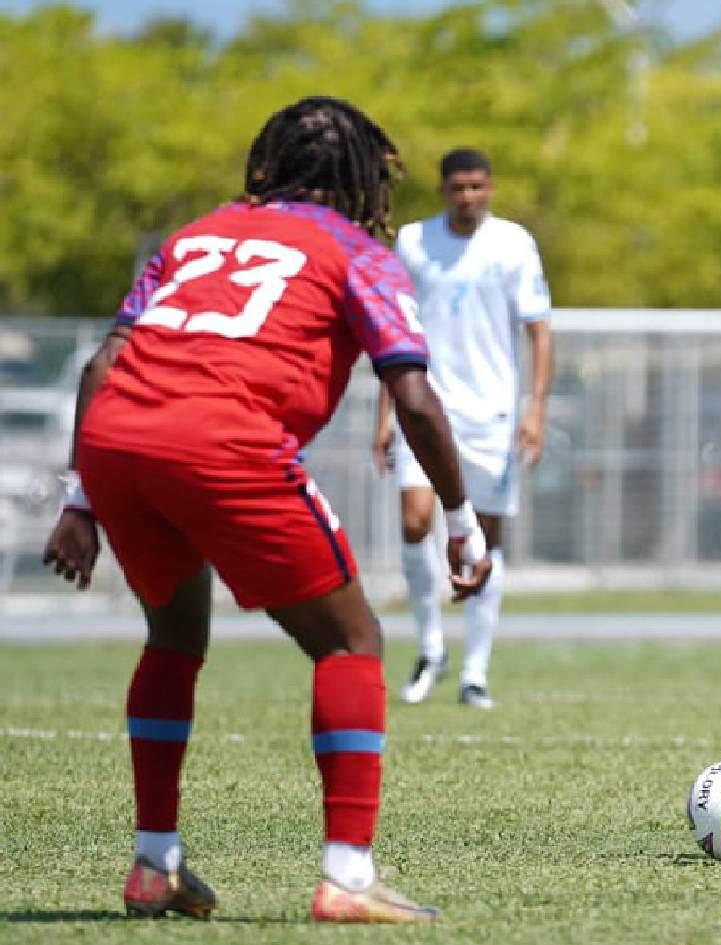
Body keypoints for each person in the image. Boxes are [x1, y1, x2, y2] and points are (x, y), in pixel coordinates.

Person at [42, 96, 492, 923]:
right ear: (362, 177)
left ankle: (154, 864)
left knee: (174, 636)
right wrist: (463, 520)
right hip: (222, 441)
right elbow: (417, 399)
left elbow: (105, 360)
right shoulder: (356, 250)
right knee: (351, 641)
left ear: (268, 164)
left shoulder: (197, 234)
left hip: (116, 441)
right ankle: (348, 876)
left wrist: (80, 499)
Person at [372, 147, 553, 710]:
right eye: (458, 187)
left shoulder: (513, 244)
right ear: (443, 190)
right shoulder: (412, 243)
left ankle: (475, 669)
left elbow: (539, 331)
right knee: (415, 518)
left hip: (493, 416)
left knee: (485, 539)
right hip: (425, 406)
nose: (468, 196)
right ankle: (430, 648)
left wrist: (535, 409)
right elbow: (392, 333)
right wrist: (384, 413)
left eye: (477, 185)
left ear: (490, 187)